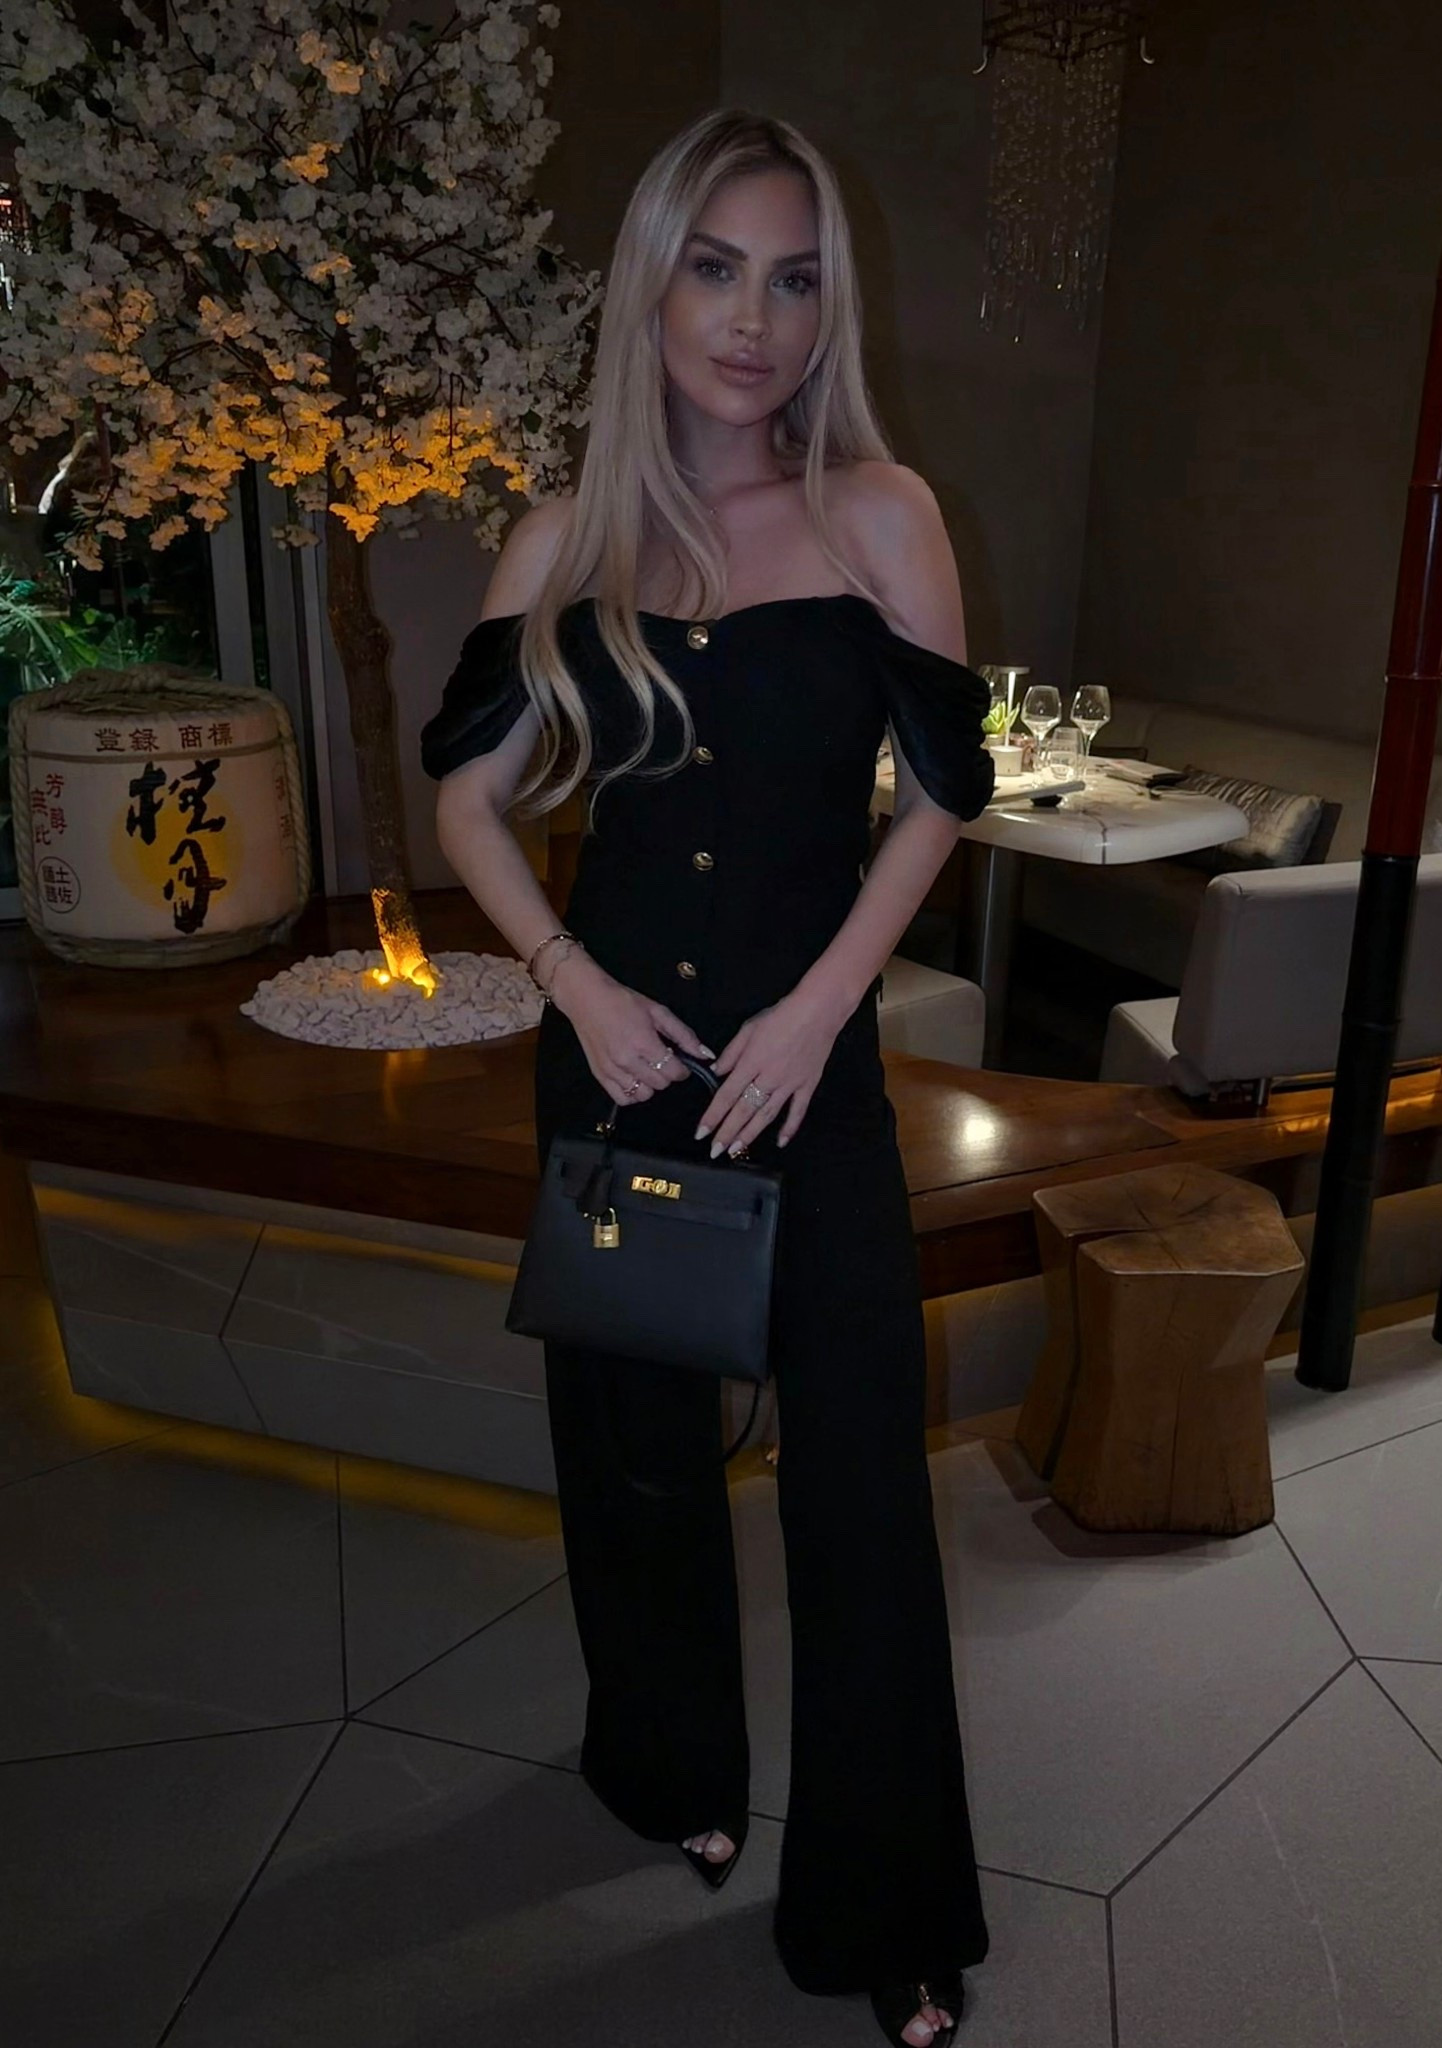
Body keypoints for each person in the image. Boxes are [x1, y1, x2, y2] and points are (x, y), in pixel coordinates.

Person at [421, 108, 995, 2048]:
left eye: (796, 277)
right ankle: (670, 1764)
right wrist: (567, 979)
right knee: (637, 1455)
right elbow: (468, 800)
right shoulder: (565, 540)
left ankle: (886, 1906)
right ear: (654, 288)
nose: (756, 319)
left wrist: (828, 1005)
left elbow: (942, 796)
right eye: (718, 268)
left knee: (859, 1481)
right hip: (617, 1061)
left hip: (803, 1068)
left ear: (833, 309)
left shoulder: (882, 515)